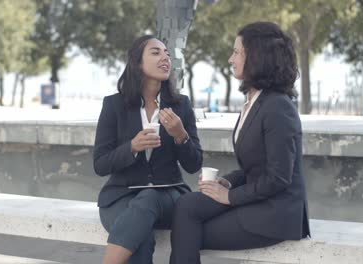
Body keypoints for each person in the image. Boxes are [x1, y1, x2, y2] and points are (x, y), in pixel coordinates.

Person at [169, 21, 311, 264]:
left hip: (275, 214)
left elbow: (278, 177)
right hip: (257, 201)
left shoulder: (278, 107)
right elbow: (254, 167)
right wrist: (228, 182)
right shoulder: (254, 101)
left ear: (256, 57)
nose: (230, 59)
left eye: (236, 52)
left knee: (188, 231)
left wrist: (229, 197)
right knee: (186, 205)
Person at [93, 35, 203, 264]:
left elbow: (194, 165)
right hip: (121, 195)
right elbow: (100, 164)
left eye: (167, 54)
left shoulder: (181, 105)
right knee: (140, 242)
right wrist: (131, 147)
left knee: (149, 197)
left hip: (168, 194)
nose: (165, 57)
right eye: (156, 52)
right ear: (137, 62)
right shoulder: (114, 105)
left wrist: (180, 135)